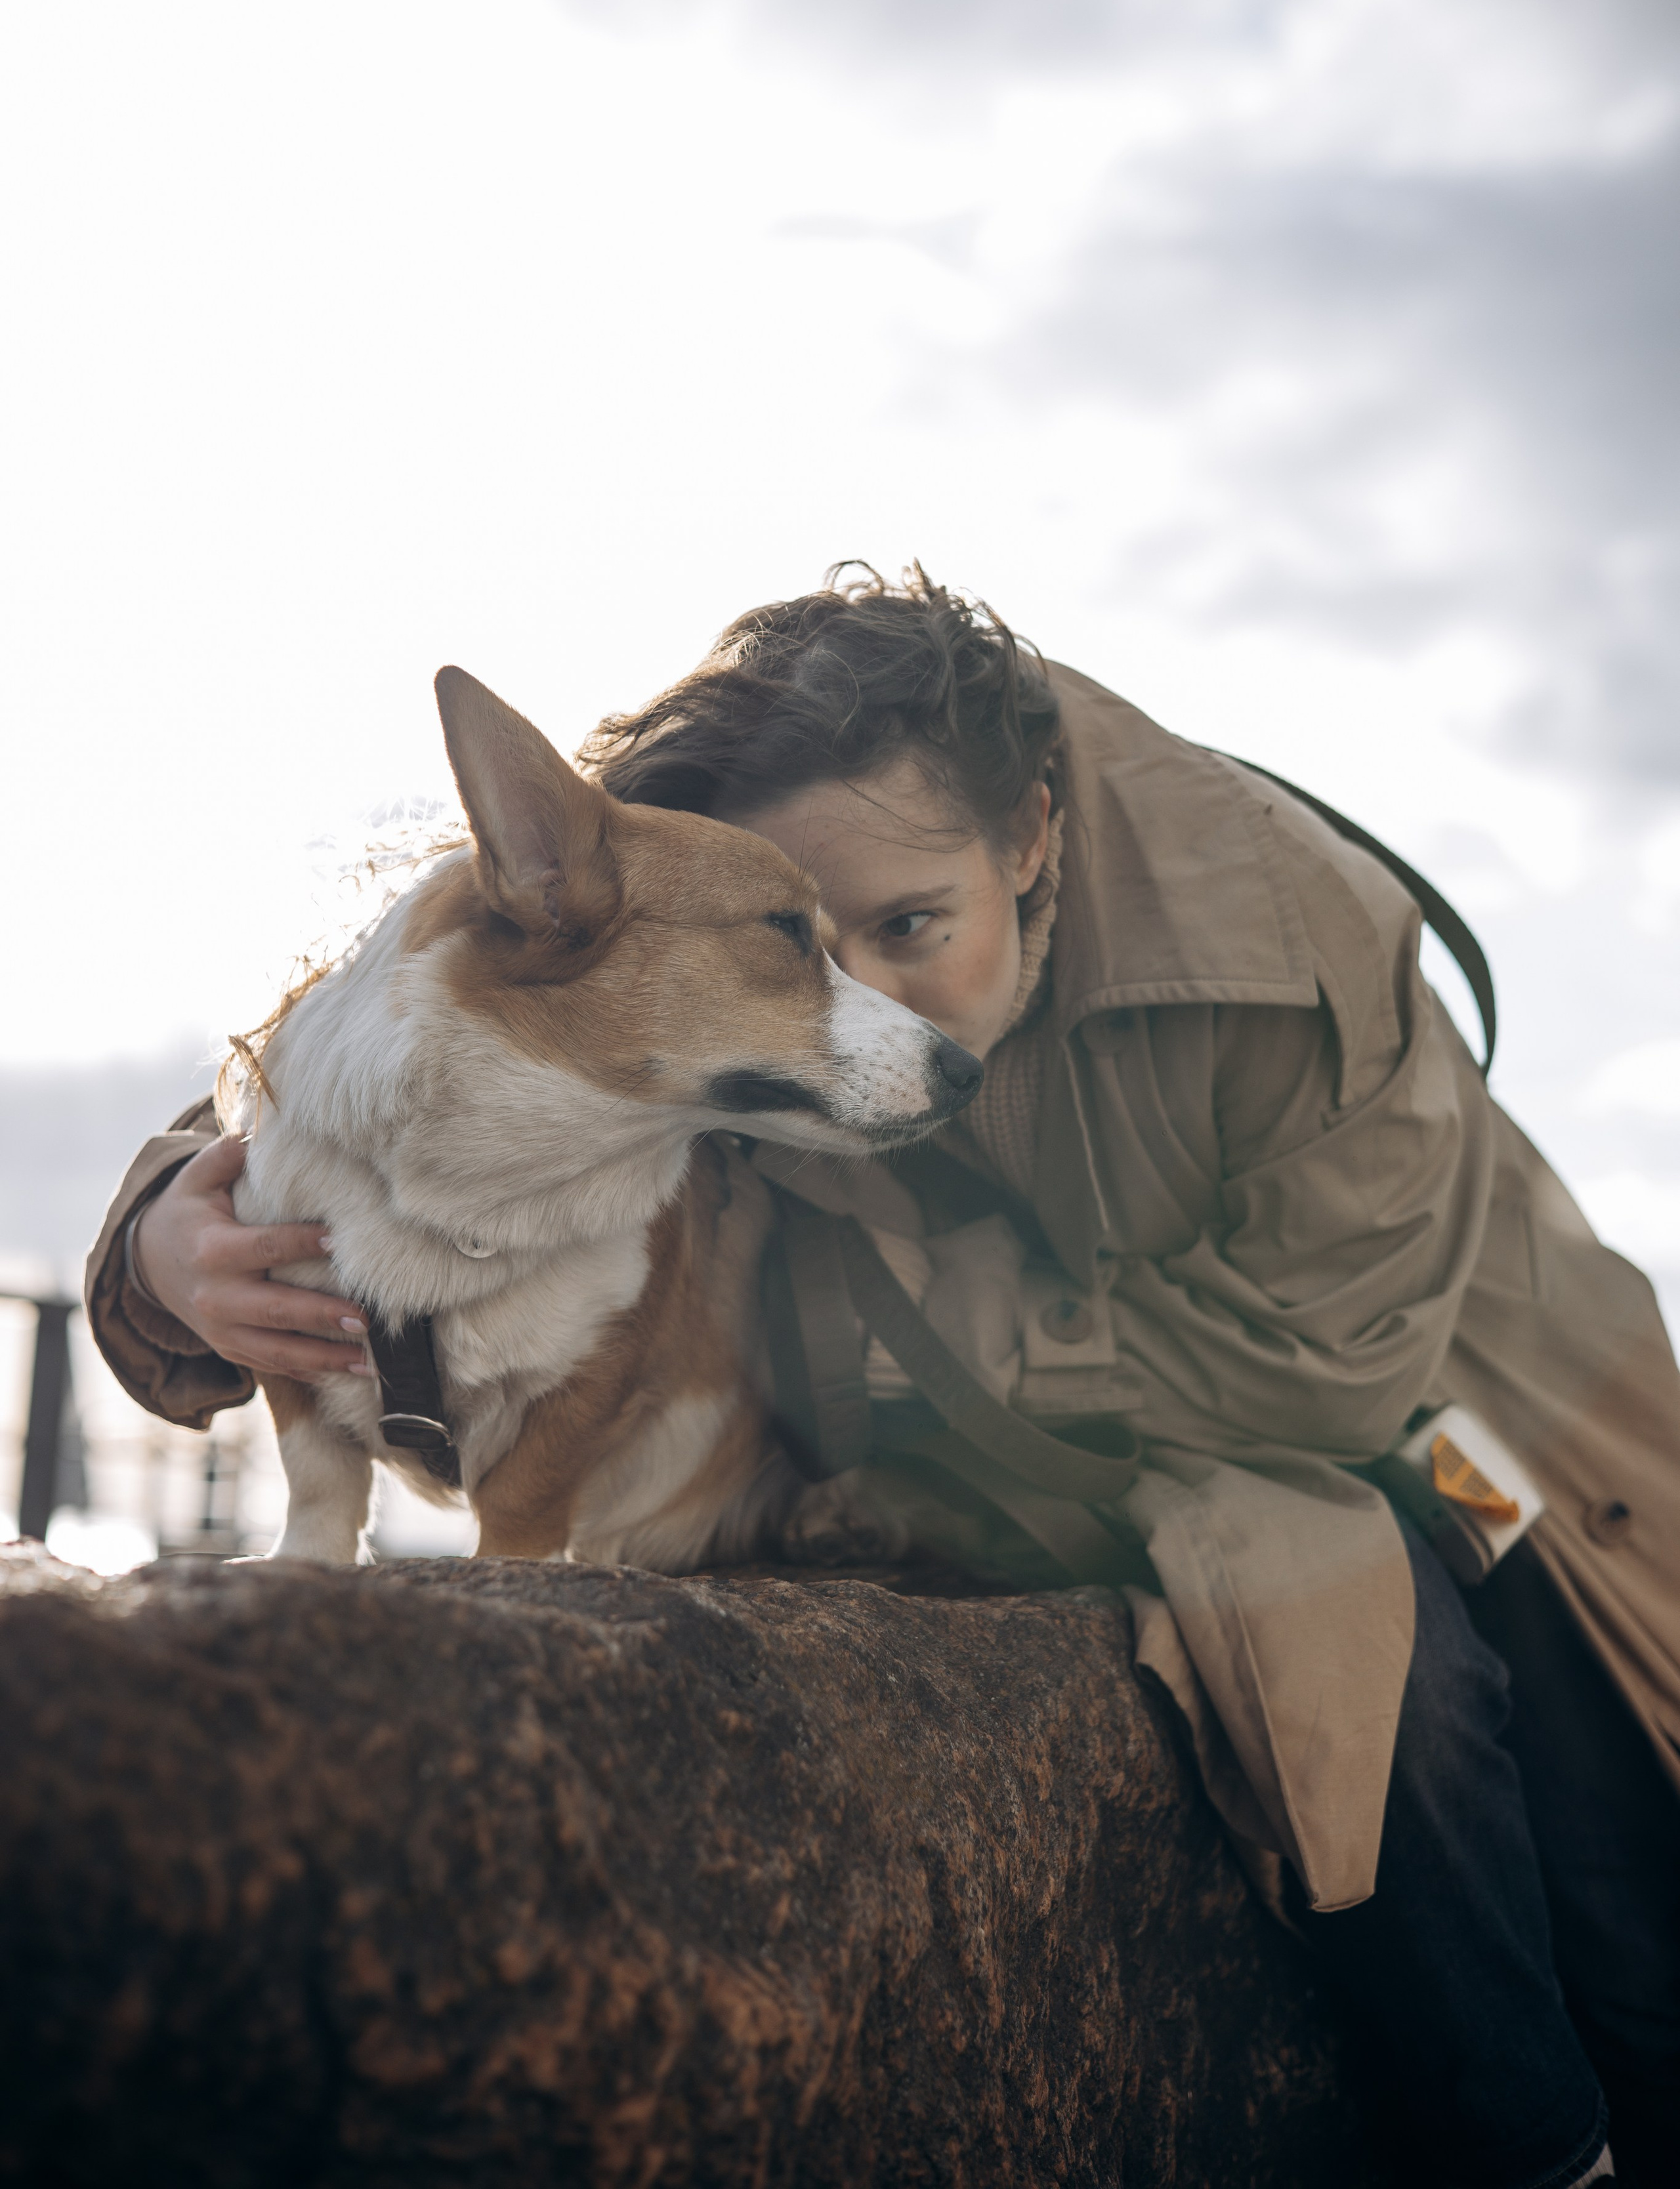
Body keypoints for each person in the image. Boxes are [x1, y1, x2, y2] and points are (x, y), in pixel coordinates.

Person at [87, 566, 1680, 2187]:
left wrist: (921, 1349)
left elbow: (1335, 1363)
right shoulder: (700, 853)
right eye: (798, 940)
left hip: (1453, 1394)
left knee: (1507, 1672)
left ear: (1030, 839)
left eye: (909, 929)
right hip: (1099, 1432)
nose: (860, 1000)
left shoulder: (1290, 937)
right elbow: (414, 1046)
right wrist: (160, 1246)